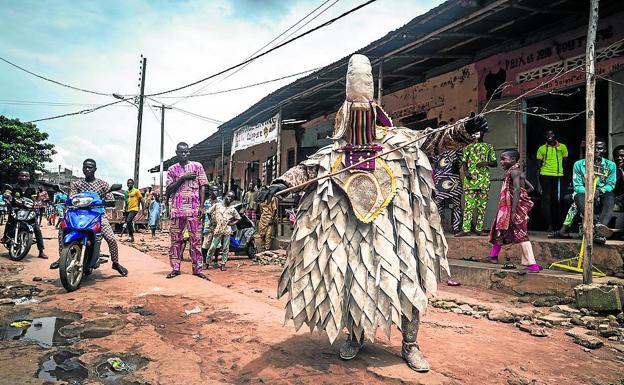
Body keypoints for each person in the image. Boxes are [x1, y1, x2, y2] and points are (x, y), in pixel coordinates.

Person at [255, 54, 487, 372]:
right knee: (355, 281)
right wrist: (278, 184)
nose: (360, 118)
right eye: (355, 112)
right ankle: (356, 337)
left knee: (408, 279)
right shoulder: (334, 152)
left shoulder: (399, 140)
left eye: (366, 111)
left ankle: (410, 344)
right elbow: (306, 170)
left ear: (377, 112)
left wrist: (465, 129)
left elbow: (434, 140)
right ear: (345, 115)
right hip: (354, 230)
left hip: (398, 229)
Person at [50, 159, 128, 276]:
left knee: (111, 238)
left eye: (90, 167)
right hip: (78, 213)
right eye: (85, 167)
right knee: (62, 229)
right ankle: (62, 257)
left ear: (95, 169)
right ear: (82, 169)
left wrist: (109, 202)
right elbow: (71, 197)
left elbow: (110, 199)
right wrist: (67, 200)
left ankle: (115, 262)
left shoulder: (103, 184)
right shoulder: (77, 184)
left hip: (98, 214)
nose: (87, 169)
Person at [488, 150, 540, 272]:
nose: (501, 162)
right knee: (499, 227)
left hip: (514, 208)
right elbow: (530, 188)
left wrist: (513, 210)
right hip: (509, 207)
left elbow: (517, 189)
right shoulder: (514, 172)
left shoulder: (514, 172)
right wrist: (523, 194)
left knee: (521, 234)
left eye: (503, 159)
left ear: (512, 160)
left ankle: (533, 265)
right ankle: (493, 256)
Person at [165, 142, 209, 280]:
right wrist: (182, 178)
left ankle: (197, 269)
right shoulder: (172, 169)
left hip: (194, 209)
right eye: (181, 152)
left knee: (195, 240)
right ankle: (175, 268)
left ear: (189, 152)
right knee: (175, 240)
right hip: (177, 210)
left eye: (186, 152)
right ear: (176, 152)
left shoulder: (197, 166)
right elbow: (169, 189)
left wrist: (201, 206)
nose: (184, 154)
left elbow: (203, 186)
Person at [572, 138, 616, 245]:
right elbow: (577, 186)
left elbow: (611, 184)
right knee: (578, 196)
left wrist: (600, 191)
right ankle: (598, 226)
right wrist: (590, 193)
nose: (596, 151)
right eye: (594, 148)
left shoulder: (610, 165)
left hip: (601, 194)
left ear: (605, 150)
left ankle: (600, 233)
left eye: (600, 149)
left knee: (610, 197)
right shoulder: (578, 164)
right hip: (584, 194)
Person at [456, 131, 497, 236]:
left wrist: (485, 163)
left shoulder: (489, 147)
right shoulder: (468, 147)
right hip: (470, 181)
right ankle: (466, 230)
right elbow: (464, 162)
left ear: (483, 133)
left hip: (484, 181)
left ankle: (479, 229)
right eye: (473, 132)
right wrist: (466, 173)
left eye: (477, 132)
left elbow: (494, 163)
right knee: (468, 206)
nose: (474, 134)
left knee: (481, 207)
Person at [1, 170, 48, 259]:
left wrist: (39, 202)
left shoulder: (32, 188)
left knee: (37, 229)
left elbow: (34, 199)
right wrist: (7, 196)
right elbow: (7, 193)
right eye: (22, 176)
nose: (24, 177)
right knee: (10, 222)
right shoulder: (13, 186)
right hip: (16, 209)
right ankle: (5, 237)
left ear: (29, 178)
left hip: (29, 211)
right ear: (18, 176)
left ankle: (41, 251)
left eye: (26, 176)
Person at [536, 130, 568, 232]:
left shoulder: (562, 147)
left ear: (555, 135)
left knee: (558, 200)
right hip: (545, 175)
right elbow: (538, 166)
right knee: (546, 200)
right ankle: (549, 225)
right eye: (547, 134)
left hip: (558, 176)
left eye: (552, 134)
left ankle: (559, 225)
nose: (549, 136)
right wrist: (538, 183)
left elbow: (565, 163)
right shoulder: (541, 148)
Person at [205, 190, 241, 271]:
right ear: (225, 196)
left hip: (227, 230)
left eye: (232, 198)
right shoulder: (217, 205)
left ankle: (223, 264)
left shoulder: (232, 209)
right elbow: (208, 212)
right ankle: (207, 262)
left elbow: (238, 218)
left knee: (225, 248)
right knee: (213, 247)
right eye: (228, 196)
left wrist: (232, 223)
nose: (230, 198)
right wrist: (212, 222)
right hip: (218, 228)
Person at [431, 148, 463, 235]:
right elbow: (460, 164)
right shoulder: (457, 153)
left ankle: (435, 228)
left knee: (439, 206)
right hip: (454, 182)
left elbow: (435, 167)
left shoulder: (437, 156)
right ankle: (456, 229)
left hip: (440, 182)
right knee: (456, 206)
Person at [201, 185, 222, 264]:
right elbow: (204, 213)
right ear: (210, 192)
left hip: (217, 225)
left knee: (217, 244)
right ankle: (204, 260)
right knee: (206, 243)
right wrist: (203, 223)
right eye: (214, 190)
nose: (215, 192)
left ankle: (215, 260)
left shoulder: (220, 202)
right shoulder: (207, 202)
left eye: (217, 190)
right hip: (208, 224)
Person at [122, 178, 143, 242]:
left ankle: (131, 236)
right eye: (128, 183)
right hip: (128, 209)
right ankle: (130, 236)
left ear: (133, 184)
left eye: (131, 183)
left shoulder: (136, 191)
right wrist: (125, 210)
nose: (129, 184)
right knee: (128, 222)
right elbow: (126, 201)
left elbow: (141, 199)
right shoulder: (126, 192)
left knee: (128, 221)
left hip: (134, 208)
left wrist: (142, 208)